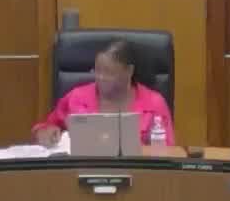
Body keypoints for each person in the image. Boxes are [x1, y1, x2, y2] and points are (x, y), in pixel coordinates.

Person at [33, 40, 177, 148]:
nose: (100, 78)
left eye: (109, 73)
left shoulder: (154, 103)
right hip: (83, 171)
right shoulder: (77, 97)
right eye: (97, 70)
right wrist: (44, 133)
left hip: (137, 174)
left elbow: (168, 151)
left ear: (129, 71)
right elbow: (46, 127)